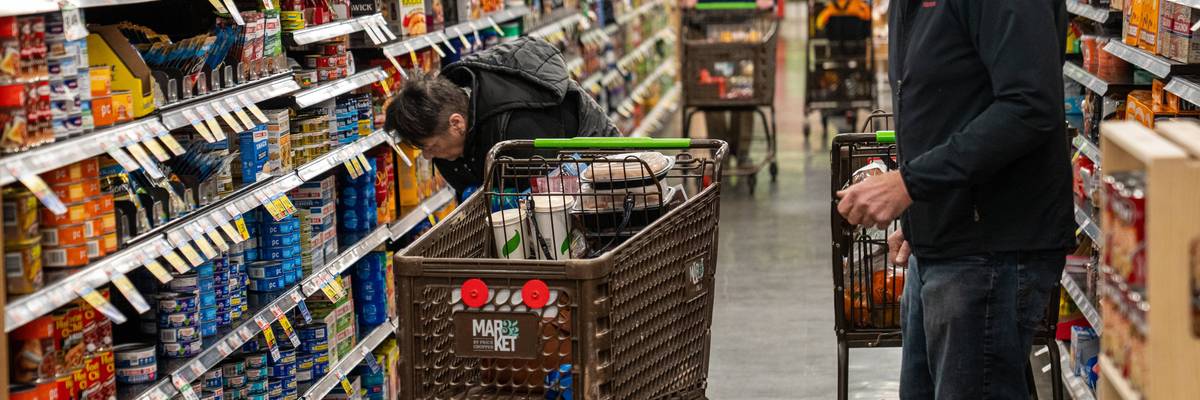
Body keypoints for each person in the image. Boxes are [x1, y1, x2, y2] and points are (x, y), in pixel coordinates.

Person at [835, 0, 1073, 398]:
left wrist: (910, 184)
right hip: (942, 241)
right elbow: (949, 101)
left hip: (990, 249)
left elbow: (1028, 106)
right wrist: (920, 218)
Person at [384, 36, 619, 193]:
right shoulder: (453, 134)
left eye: (431, 146)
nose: (427, 156)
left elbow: (554, 198)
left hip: (605, 173)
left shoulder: (518, 127)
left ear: (456, 124)